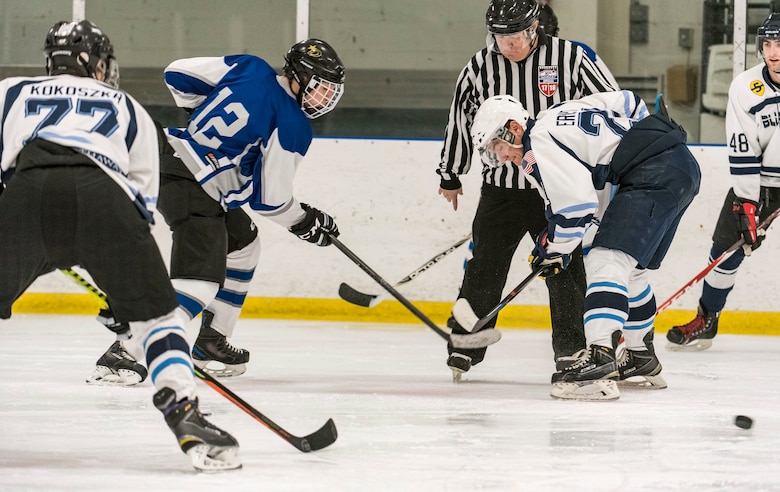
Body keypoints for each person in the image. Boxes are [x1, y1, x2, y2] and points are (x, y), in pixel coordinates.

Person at [0, 20, 240, 470]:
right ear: (95, 64)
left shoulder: (11, 90)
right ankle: (184, 410)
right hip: (102, 197)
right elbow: (143, 201)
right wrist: (129, 293)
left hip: (26, 190)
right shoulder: (126, 105)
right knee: (160, 317)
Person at [90, 39, 344, 381]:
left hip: (167, 157)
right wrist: (305, 221)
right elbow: (269, 200)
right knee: (200, 282)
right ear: (297, 76)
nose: (324, 97)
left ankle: (212, 341)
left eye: (330, 91)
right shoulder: (293, 124)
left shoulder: (250, 68)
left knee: (243, 245)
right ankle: (128, 351)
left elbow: (177, 74)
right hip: (197, 186)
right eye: (319, 87)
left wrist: (201, 110)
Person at [469, 90, 701, 400]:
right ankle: (639, 356)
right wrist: (554, 245)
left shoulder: (538, 142)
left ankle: (600, 358)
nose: (499, 155)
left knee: (606, 262)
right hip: (676, 165)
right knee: (630, 272)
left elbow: (576, 207)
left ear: (514, 127)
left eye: (497, 146)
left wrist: (556, 250)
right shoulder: (561, 113)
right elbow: (628, 102)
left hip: (650, 174)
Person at [436, 0, 619, 381]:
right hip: (501, 189)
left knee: (564, 265)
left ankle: (571, 350)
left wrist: (605, 163)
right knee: (485, 263)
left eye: (514, 35)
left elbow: (609, 105)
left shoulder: (571, 57)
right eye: (500, 37)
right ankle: (466, 343)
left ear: (534, 28)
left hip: (555, 187)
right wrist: (451, 172)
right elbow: (460, 116)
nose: (507, 44)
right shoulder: (479, 66)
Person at [666, 13, 780, 351]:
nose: (774, 52)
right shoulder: (746, 87)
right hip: (762, 183)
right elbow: (743, 148)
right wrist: (747, 202)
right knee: (724, 252)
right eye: (768, 45)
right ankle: (708, 318)